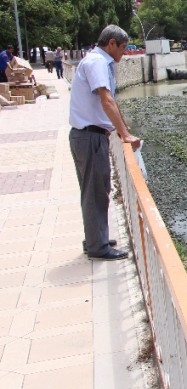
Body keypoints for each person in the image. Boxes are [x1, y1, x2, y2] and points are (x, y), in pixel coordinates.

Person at [69, 25, 141, 260]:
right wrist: (125, 135)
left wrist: (122, 128)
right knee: (95, 192)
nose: (124, 53)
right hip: (90, 137)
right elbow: (106, 100)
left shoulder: (97, 61)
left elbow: (111, 101)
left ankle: (96, 237)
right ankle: (98, 247)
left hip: (90, 136)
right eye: (122, 48)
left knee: (96, 189)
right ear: (111, 43)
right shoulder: (97, 63)